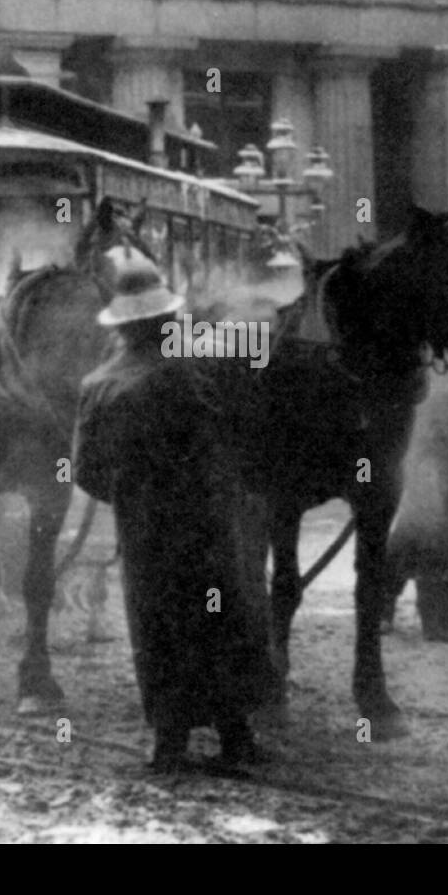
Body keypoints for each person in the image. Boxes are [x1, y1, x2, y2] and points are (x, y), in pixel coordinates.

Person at [71, 258, 277, 771]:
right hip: (207, 526)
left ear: (120, 326)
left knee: (156, 626)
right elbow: (238, 444)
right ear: (166, 322)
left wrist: (132, 497)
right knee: (220, 618)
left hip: (144, 533)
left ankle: (169, 743)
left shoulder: (97, 384)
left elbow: (86, 472)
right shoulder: (194, 373)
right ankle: (235, 737)